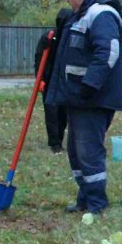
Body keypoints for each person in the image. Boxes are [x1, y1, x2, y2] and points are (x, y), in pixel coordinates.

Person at [46, 0, 122, 215]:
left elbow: (108, 51)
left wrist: (89, 85)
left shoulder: (101, 13)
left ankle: (97, 204)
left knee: (88, 151)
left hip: (93, 98)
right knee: (76, 151)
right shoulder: (81, 14)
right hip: (79, 97)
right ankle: (85, 197)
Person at [34, 8, 72, 154]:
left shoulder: (72, 38)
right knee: (51, 112)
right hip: (49, 80)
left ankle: (60, 140)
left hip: (66, 81)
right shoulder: (49, 37)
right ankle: (54, 143)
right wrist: (40, 79)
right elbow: (39, 59)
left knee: (64, 113)